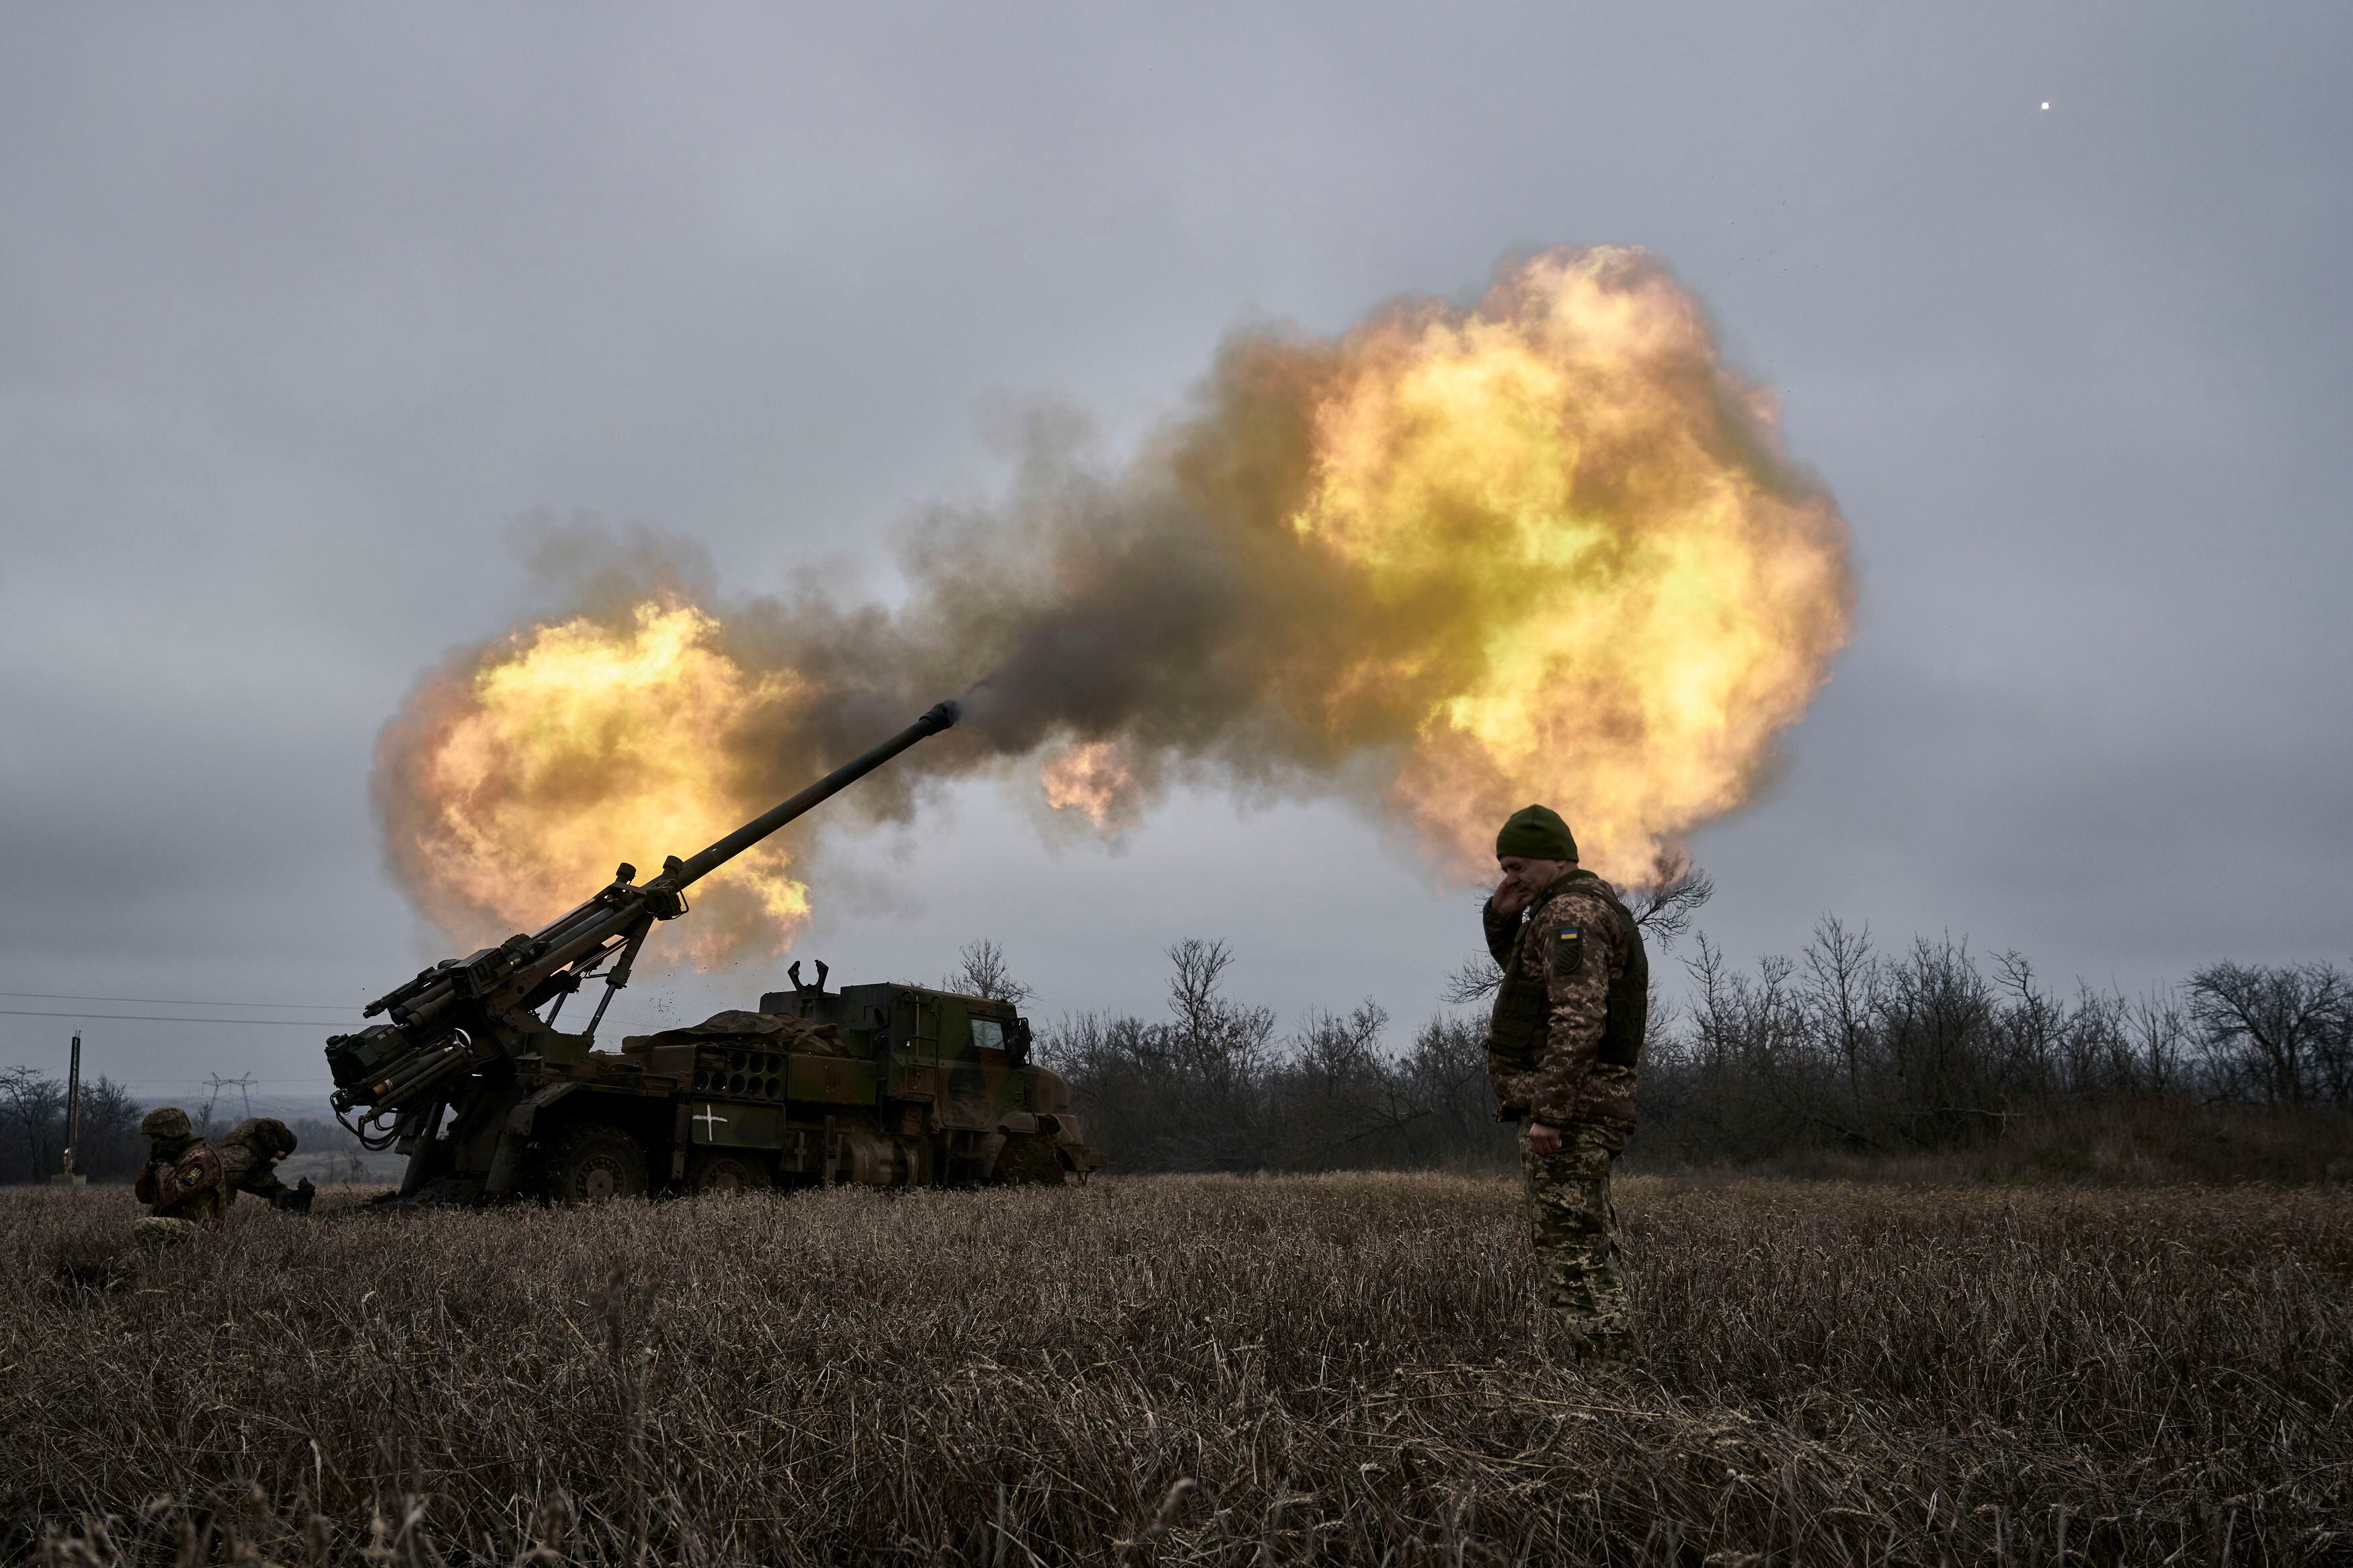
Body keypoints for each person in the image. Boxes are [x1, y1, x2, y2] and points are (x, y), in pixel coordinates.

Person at [1482, 804, 1648, 1368]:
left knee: (1573, 1258)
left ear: (1557, 859)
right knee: (1588, 1249)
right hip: (1585, 1108)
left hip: (1574, 1116)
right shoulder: (1567, 910)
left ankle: (1618, 1395)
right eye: (1504, 868)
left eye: (1517, 866)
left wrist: (1550, 1113)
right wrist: (1501, 919)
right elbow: (1532, 980)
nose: (1510, 878)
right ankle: (1619, 1386)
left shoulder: (1570, 914)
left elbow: (1577, 1019)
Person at [131, 1106, 227, 1237]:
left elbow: (173, 1196)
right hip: (177, 1228)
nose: (153, 1143)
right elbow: (144, 1195)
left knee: (142, 1226)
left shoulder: (201, 1158)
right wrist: (151, 1167)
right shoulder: (174, 1156)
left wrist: (164, 1164)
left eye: (155, 1138)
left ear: (169, 1137)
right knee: (126, 1258)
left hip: (201, 1230)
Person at [216, 1117, 316, 1211]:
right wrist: (276, 1151)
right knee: (278, 1191)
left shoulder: (247, 1128)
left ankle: (212, 1221)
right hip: (242, 1165)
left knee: (222, 1202)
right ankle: (293, 1209)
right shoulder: (281, 1131)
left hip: (220, 1166)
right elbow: (263, 1125)